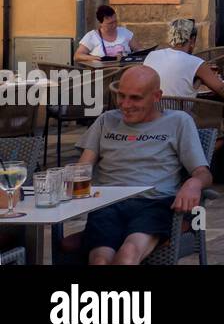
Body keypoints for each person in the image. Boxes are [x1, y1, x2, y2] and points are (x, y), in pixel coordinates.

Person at [74, 66, 211, 265]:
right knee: (100, 260)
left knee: (128, 254)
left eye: (135, 98)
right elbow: (81, 170)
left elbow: (203, 173)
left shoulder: (178, 122)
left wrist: (194, 183)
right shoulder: (107, 120)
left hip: (154, 203)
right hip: (107, 204)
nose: (125, 105)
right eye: (121, 96)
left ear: (157, 96)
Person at [144, 18, 224, 101]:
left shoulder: (152, 55)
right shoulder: (196, 63)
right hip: (179, 115)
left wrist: (198, 81)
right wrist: (202, 79)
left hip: (152, 113)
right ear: (192, 40)